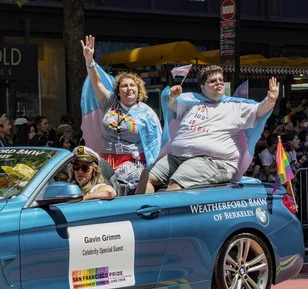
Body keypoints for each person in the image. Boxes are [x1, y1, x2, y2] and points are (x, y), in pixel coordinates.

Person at [142, 65, 277, 193]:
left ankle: (168, 217)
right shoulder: (192, 102)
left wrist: (270, 100)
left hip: (213, 161)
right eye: (213, 81)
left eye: (221, 80)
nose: (219, 83)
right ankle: (141, 215)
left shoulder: (235, 106)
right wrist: (172, 96)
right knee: (146, 176)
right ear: (203, 87)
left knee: (175, 184)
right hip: (178, 157)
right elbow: (172, 106)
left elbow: (260, 110)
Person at [81, 35, 164, 191]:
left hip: (133, 165)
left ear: (139, 89)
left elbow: (155, 143)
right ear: (118, 91)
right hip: (107, 161)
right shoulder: (110, 102)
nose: (128, 88)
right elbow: (96, 82)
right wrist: (90, 61)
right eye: (124, 86)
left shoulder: (147, 113)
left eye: (132, 85)